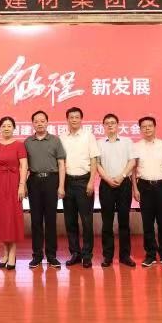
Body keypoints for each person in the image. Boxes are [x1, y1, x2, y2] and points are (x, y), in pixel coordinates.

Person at [24, 110, 66, 269]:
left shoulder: (55, 140)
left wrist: (61, 186)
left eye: (42, 121)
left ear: (47, 123)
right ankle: (36, 255)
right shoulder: (28, 142)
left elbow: (61, 164)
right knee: (35, 220)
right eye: (36, 121)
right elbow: (24, 166)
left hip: (51, 180)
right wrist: (23, 184)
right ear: (33, 124)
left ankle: (51, 255)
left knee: (50, 220)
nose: (39, 123)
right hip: (34, 181)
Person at [133, 116, 162, 268]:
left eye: (150, 126)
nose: (147, 129)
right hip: (144, 186)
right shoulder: (136, 147)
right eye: (144, 126)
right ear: (140, 129)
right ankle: (150, 254)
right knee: (147, 223)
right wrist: (135, 188)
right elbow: (133, 170)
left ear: (155, 127)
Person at [60, 107, 100, 268]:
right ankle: (75, 253)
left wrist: (91, 182)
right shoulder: (62, 137)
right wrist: (61, 185)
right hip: (67, 182)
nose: (74, 120)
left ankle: (87, 255)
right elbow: (60, 162)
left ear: (81, 119)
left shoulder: (88, 136)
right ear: (67, 119)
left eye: (77, 117)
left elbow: (94, 160)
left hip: (84, 181)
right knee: (70, 221)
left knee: (86, 221)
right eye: (71, 117)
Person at [96, 113, 136, 267]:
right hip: (106, 184)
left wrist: (122, 176)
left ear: (118, 125)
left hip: (123, 184)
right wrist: (107, 178)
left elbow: (132, 161)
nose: (110, 125)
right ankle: (107, 256)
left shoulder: (127, 141)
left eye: (113, 122)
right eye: (107, 123)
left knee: (124, 221)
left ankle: (125, 256)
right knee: (107, 222)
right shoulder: (99, 143)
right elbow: (97, 164)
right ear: (103, 126)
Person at [0, 116, 28, 270]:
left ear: (14, 128)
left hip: (14, 185)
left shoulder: (19, 145)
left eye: (9, 126)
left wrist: (22, 185)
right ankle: (5, 252)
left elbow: (24, 165)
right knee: (2, 219)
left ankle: (12, 253)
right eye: (3, 126)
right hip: (0, 185)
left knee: (13, 218)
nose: (6, 128)